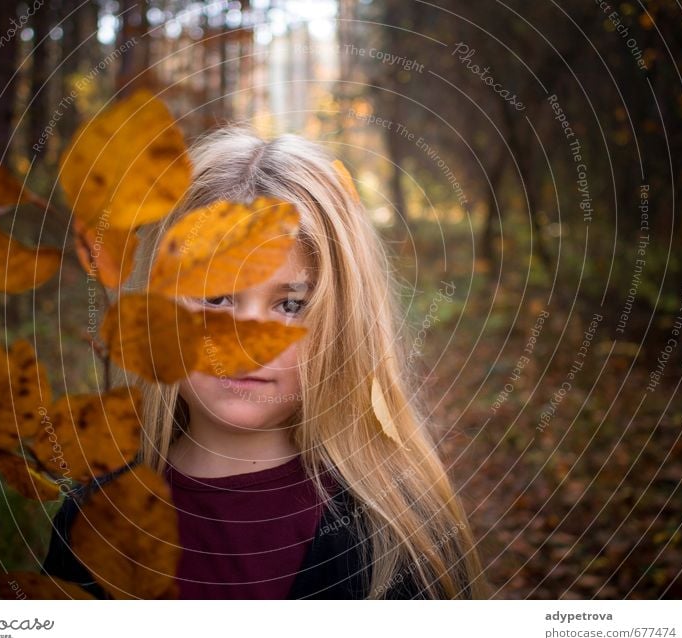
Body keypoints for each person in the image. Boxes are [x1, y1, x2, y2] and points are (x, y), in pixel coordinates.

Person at [42, 124, 489, 600]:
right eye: (215, 298)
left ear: (342, 329)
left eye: (291, 306)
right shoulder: (95, 519)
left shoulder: (396, 537)